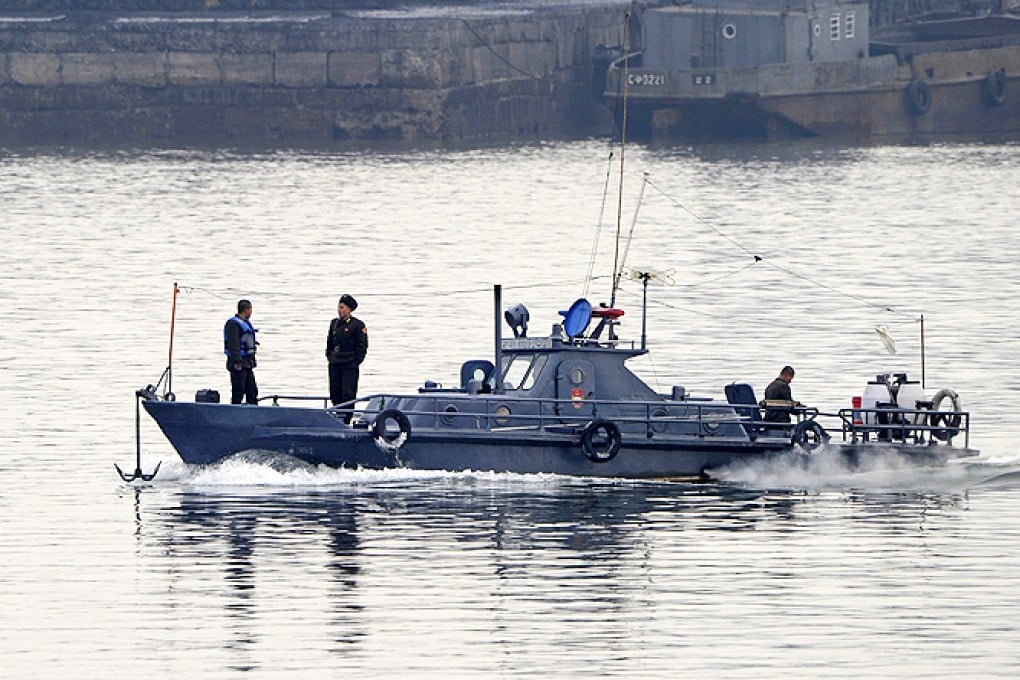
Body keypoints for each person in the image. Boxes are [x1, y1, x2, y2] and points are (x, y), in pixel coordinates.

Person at [326, 294, 368, 422]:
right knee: (335, 392)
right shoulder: (334, 323)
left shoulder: (357, 325)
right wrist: (330, 356)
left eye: (343, 307)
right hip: (335, 363)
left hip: (349, 363)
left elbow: (362, 346)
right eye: (339, 307)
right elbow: (329, 343)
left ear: (349, 309)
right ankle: (337, 416)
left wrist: (355, 362)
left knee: (348, 394)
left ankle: (346, 419)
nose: (340, 310)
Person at [224, 299, 258, 405]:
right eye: (250, 309)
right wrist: (237, 361)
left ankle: (253, 411)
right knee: (238, 391)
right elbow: (233, 344)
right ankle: (234, 411)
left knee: (252, 390)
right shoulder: (233, 324)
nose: (251, 312)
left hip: (247, 363)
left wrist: (252, 360)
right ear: (246, 310)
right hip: (238, 363)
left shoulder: (246, 323)